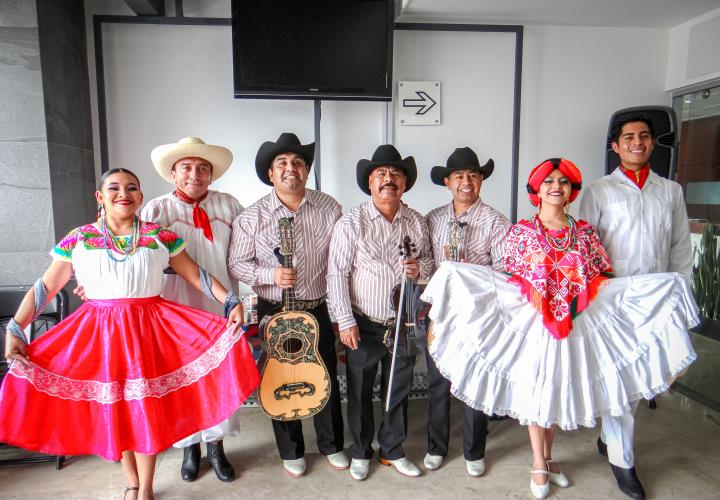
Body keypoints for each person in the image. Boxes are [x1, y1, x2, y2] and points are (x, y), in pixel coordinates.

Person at [421, 158, 697, 499]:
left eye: (563, 182)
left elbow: (603, 279)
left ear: (571, 191)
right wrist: (457, 277)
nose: (556, 186)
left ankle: (550, 459)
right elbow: (505, 279)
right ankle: (538, 462)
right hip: (533, 327)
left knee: (558, 390)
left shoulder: (584, 233)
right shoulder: (521, 232)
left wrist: (659, 286)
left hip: (576, 328)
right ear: (537, 190)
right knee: (537, 392)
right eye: (549, 181)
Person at [0, 169, 260, 500]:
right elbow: (45, 287)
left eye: (132, 188)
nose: (123, 193)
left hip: (148, 331)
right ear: (100, 196)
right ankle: (132, 482)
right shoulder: (78, 238)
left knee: (144, 409)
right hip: (100, 335)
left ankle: (147, 488)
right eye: (114, 188)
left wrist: (232, 300)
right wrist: (16, 327)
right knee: (117, 409)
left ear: (140, 196)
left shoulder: (159, 236)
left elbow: (195, 274)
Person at [578, 114, 693, 499]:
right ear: (616, 146)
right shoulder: (598, 191)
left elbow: (679, 248)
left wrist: (683, 295)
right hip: (614, 299)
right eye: (628, 137)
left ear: (652, 144)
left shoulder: (670, 191)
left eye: (644, 136)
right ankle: (623, 461)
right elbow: (586, 249)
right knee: (623, 379)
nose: (637, 142)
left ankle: (608, 437)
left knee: (645, 377)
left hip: (657, 298)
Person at [228, 133, 346, 478]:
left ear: (307, 171)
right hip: (273, 309)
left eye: (297, 162)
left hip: (318, 306)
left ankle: (332, 445)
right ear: (270, 174)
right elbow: (237, 264)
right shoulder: (252, 216)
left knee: (324, 373)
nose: (290, 168)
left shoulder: (330, 208)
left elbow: (339, 263)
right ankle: (291, 450)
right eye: (282, 163)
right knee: (280, 375)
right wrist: (270, 274)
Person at [327, 144, 434, 481]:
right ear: (370, 183)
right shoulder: (352, 222)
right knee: (359, 390)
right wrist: (344, 320)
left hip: (403, 321)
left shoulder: (416, 222)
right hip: (363, 322)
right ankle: (360, 452)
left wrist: (421, 268)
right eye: (381, 175)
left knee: (397, 388)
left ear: (404, 183)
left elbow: (430, 262)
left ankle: (392, 449)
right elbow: (336, 273)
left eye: (396, 174)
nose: (389, 179)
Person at [142, 137, 243, 483]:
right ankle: (189, 448)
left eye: (202, 168)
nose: (194, 174)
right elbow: (136, 258)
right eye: (186, 167)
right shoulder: (156, 211)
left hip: (220, 306)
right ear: (173, 173)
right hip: (175, 308)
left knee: (217, 376)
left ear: (211, 176)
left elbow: (242, 256)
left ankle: (216, 446)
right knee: (182, 377)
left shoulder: (229, 206)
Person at [423, 147, 510, 476]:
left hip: (477, 316)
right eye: (459, 176)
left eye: (473, 175)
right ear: (447, 182)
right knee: (437, 381)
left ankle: (474, 452)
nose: (466, 181)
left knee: (475, 382)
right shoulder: (432, 219)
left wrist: (469, 270)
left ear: (481, 180)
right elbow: (427, 265)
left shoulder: (496, 222)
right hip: (441, 312)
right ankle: (436, 446)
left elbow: (504, 274)